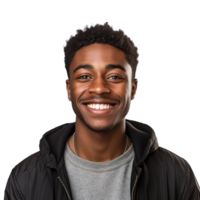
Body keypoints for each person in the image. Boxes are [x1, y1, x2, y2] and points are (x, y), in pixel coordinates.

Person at [3, 20, 200, 200]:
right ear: (68, 90)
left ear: (133, 89)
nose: (99, 88)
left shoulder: (176, 175)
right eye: (84, 77)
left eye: (114, 77)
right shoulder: (24, 179)